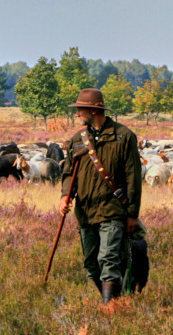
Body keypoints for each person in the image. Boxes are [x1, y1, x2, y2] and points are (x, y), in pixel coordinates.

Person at [59, 88, 142, 303]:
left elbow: (133, 178)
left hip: (113, 210)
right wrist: (65, 196)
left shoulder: (124, 136)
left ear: (94, 111)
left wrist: (132, 214)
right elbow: (68, 173)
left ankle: (109, 310)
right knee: (91, 265)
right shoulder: (76, 140)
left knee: (109, 258)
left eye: (80, 109)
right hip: (85, 213)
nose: (77, 114)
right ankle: (119, 300)